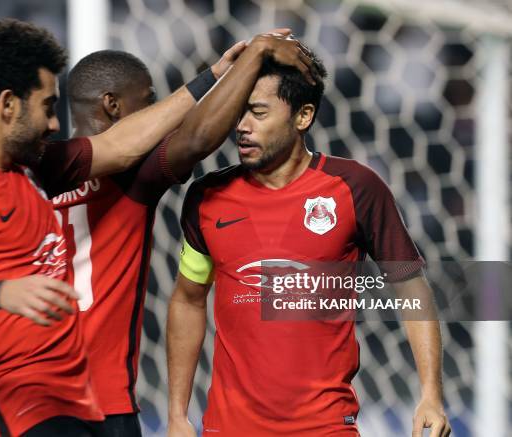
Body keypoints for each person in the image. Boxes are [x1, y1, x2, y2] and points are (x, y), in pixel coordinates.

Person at [0, 18, 243, 437]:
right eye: (46, 106)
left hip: (78, 405)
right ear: (8, 104)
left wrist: (213, 76)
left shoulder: (36, 170)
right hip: (17, 414)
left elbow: (119, 145)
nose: (54, 124)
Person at [166, 56, 452, 436]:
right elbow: (188, 298)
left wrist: (430, 395)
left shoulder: (356, 188)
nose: (242, 127)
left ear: (303, 116)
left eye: (258, 112)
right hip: (228, 427)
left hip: (324, 426)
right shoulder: (206, 197)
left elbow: (410, 286)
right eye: (239, 113)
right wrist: (176, 414)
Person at [55, 30, 315, 437]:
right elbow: (196, 137)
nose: (159, 112)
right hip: (99, 404)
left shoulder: (27, 172)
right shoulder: (130, 176)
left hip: (21, 402)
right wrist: (256, 52)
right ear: (113, 106)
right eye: (149, 101)